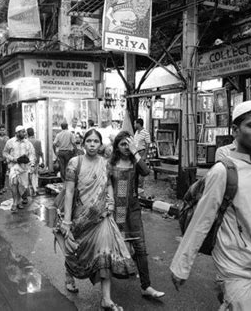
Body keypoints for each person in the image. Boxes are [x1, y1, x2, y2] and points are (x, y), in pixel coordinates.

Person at [170, 100, 251, 310]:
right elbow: (202, 220)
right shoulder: (222, 171)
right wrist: (181, 266)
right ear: (235, 130)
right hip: (234, 262)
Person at [59, 129, 136, 311]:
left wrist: (110, 202)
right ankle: (69, 274)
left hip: (101, 216)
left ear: (100, 144)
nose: (92, 144)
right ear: (83, 143)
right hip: (81, 216)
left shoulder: (105, 163)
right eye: (89, 141)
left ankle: (106, 299)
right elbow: (69, 192)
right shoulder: (74, 163)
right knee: (76, 249)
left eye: (96, 141)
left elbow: (108, 185)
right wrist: (67, 221)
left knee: (104, 252)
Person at [108, 131, 165, 299]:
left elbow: (146, 171)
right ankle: (109, 282)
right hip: (115, 211)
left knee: (140, 247)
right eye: (123, 144)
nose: (126, 147)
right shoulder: (110, 165)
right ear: (117, 147)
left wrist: (135, 151)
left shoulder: (135, 162)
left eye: (129, 144)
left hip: (133, 210)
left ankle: (146, 286)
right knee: (114, 245)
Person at [3, 125, 35, 213]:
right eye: (22, 132)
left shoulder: (28, 143)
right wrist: (13, 159)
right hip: (14, 167)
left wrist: (32, 164)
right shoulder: (10, 142)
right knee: (14, 183)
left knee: (22, 186)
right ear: (17, 133)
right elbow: (5, 153)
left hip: (24, 167)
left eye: (24, 131)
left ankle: (20, 200)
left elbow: (32, 154)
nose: (24, 133)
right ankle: (14, 203)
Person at [27, 127, 43, 197]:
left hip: (29, 161)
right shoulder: (38, 141)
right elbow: (40, 152)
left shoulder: (26, 141)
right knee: (35, 175)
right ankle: (35, 189)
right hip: (36, 160)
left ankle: (33, 189)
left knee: (30, 175)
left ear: (27, 134)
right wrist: (43, 160)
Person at [0, 124, 9, 195]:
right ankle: (0, 188)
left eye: (3, 130)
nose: (2, 131)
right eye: (0, 130)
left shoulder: (7, 138)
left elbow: (9, 149)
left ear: (5, 130)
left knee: (4, 173)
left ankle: (3, 186)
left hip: (5, 158)